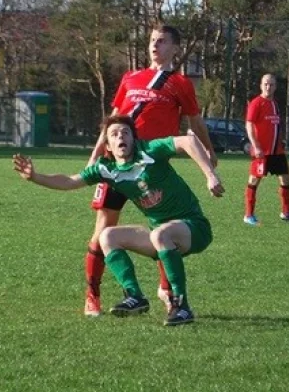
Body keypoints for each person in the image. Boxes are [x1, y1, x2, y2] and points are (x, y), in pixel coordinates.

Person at [13, 115, 224, 326]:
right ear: (109, 146)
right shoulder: (107, 169)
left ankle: (182, 306)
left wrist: (210, 175)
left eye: (125, 132)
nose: (120, 136)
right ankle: (135, 297)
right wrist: (35, 177)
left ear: (133, 138)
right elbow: (69, 181)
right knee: (107, 236)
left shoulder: (150, 151)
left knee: (160, 233)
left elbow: (187, 141)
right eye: (114, 134)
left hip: (194, 228)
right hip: (162, 235)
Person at [82, 24, 218, 317]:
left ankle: (166, 291)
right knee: (101, 232)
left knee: (164, 226)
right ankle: (93, 294)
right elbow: (112, 123)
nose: (155, 45)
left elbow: (194, 123)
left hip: (151, 167)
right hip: (116, 166)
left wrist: (209, 151)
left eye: (162, 41)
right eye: (152, 41)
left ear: (175, 48)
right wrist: (95, 155)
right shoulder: (131, 78)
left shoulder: (180, 83)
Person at [244, 73, 289, 225]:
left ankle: (286, 212)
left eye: (271, 84)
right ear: (261, 85)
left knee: (286, 178)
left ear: (275, 87)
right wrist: (256, 146)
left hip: (277, 151)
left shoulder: (275, 104)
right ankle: (249, 215)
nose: (268, 87)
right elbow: (249, 125)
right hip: (262, 152)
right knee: (254, 180)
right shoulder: (256, 103)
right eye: (265, 84)